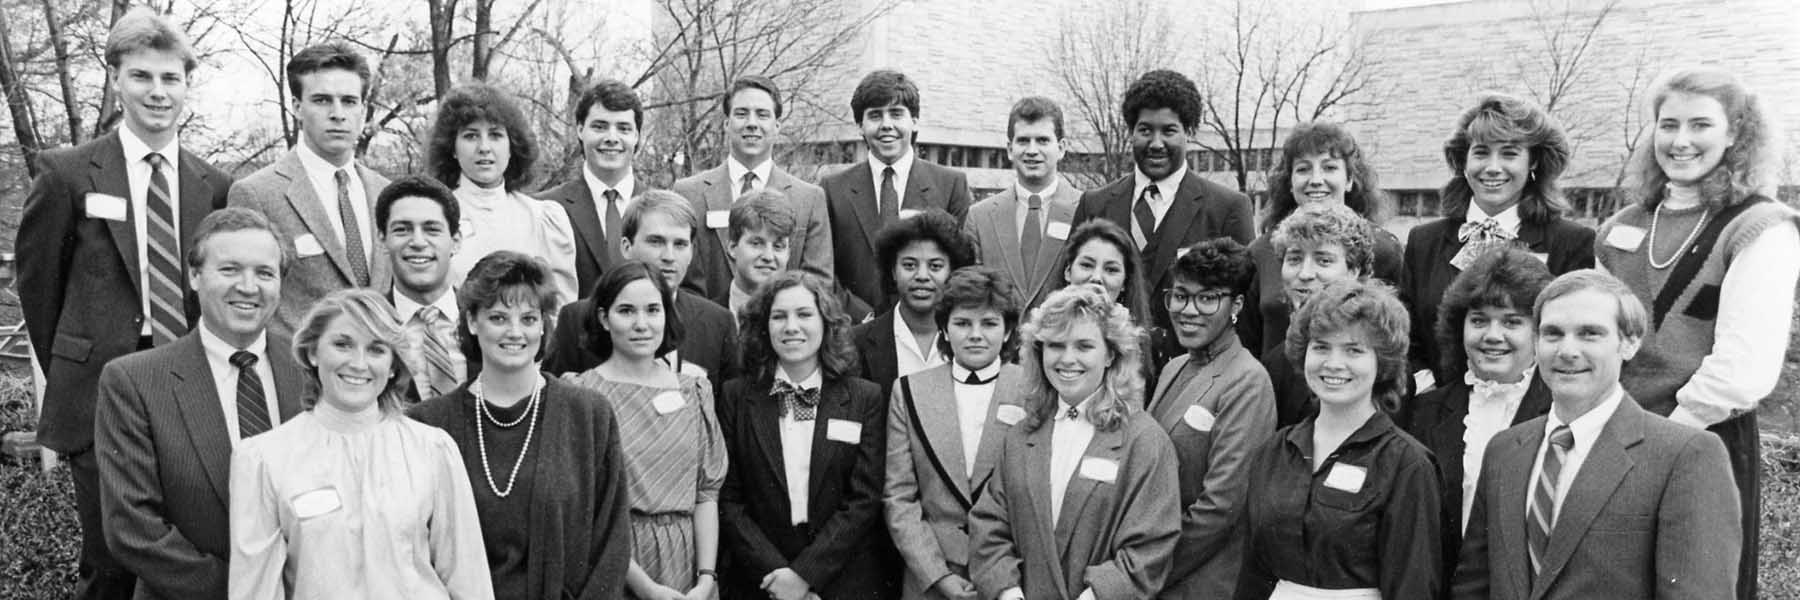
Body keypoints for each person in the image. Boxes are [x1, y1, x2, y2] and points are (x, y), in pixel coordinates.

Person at [16, 9, 231, 597]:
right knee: (110, 561)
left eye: (170, 78)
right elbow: (40, 289)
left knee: (186, 552)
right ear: (115, 80)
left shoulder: (213, 184)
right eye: (141, 77)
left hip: (186, 392)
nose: (157, 92)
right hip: (99, 395)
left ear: (188, 84)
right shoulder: (66, 173)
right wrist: (72, 367)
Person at [1595, 67, 1798, 600]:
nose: (1680, 141)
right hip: (1615, 433)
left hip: (1702, 436)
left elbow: (1743, 370)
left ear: (1735, 133)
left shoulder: (1760, 226)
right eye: (1668, 125)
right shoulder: (1621, 227)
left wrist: (1665, 440)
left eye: (1701, 124)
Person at [1451, 270, 1741, 600]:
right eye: (1553, 334)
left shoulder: (1684, 455)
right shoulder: (1504, 451)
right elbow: (1473, 586)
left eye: (1589, 334)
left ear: (1630, 343)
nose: (1567, 351)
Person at [96, 208, 305, 600]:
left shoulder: (312, 372)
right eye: (229, 269)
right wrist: (248, 592)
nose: (248, 286)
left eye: (264, 273)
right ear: (194, 276)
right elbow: (132, 528)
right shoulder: (135, 381)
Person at [228, 289, 492, 599]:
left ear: (394, 364)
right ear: (313, 352)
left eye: (377, 349)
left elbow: (469, 579)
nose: (358, 363)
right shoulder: (264, 459)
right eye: (342, 344)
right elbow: (254, 589)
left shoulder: (432, 449)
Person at [411, 251, 633, 600]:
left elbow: (612, 542)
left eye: (529, 318)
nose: (515, 332)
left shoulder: (588, 414)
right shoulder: (427, 424)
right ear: (471, 321)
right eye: (498, 317)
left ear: (544, 325)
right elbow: (415, 553)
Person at [967, 283, 1181, 600]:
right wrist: (1008, 593)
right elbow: (989, 524)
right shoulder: (1021, 435)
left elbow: (1151, 545)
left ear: (1110, 354)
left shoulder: (1145, 441)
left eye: (1083, 346)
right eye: (1055, 345)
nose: (1067, 359)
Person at [1235, 280, 1441, 600]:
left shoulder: (1406, 464)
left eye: (1353, 350)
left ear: (1382, 362)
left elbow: (1413, 587)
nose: (1333, 363)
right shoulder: (1272, 452)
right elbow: (1253, 575)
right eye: (1321, 347)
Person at [717, 271, 897, 599]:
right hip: (762, 581)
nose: (791, 327)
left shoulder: (864, 398)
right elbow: (729, 500)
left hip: (844, 581)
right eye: (779, 316)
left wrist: (805, 576)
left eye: (804, 314)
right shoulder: (735, 397)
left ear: (826, 322)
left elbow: (864, 498)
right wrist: (778, 577)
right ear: (763, 326)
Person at [1401, 93, 1594, 394]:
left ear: (1534, 162)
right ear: (1463, 161)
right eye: (1481, 153)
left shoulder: (1571, 244)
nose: (1492, 167)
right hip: (1434, 414)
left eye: (1508, 153)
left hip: (1529, 416)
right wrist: (1428, 393)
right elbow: (1406, 336)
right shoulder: (1422, 242)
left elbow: (1571, 340)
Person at [561, 261, 725, 599]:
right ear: (604, 319)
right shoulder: (581, 395)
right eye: (626, 311)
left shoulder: (694, 391)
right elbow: (585, 508)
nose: (642, 324)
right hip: (615, 562)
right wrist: (647, 589)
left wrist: (706, 579)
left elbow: (706, 492)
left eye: (653, 310)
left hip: (688, 564)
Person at [1070, 69, 1255, 361]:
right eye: (1145, 130)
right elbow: (1070, 295)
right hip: (1105, 369)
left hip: (1191, 373)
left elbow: (1245, 313)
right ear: (1131, 132)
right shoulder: (1094, 204)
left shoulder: (1227, 208)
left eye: (1168, 131)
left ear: (1190, 133)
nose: (1156, 143)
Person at [1403, 247, 1554, 582]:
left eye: (1512, 322)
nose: (1492, 336)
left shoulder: (1562, 417)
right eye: (1479, 320)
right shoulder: (1423, 414)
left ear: (1541, 331)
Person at [228, 42, 393, 339]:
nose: (338, 113)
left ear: (364, 110)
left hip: (378, 371)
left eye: (349, 101)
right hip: (298, 375)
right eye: (322, 100)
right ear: (297, 107)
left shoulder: (386, 193)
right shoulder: (257, 194)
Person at [883, 266, 1030, 600]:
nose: (975, 334)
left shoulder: (1032, 391)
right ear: (945, 331)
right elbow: (899, 497)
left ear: (1008, 331)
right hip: (931, 577)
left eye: (989, 323)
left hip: (1012, 575)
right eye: (963, 323)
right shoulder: (909, 391)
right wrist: (937, 576)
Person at [1146, 238, 1275, 599]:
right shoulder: (1174, 367)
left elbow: (1221, 506)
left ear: (1235, 305)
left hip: (1200, 580)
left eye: (1207, 298)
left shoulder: (1248, 380)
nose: (1188, 310)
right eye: (1181, 295)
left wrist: (1147, 569)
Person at [544, 191, 739, 392]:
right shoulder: (576, 319)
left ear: (691, 251)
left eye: (680, 244)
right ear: (626, 247)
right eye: (656, 241)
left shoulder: (718, 323)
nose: (669, 256)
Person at [1239, 122, 1404, 355]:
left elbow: (1397, 333)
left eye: (1329, 168)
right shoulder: (1260, 252)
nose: (1316, 179)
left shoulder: (1384, 248)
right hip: (1275, 384)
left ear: (1349, 180)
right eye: (1304, 169)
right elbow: (1248, 340)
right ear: (1290, 182)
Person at [823, 69, 974, 310]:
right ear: (860, 126)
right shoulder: (832, 190)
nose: (886, 125)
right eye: (875, 116)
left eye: (896, 114)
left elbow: (964, 266)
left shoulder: (951, 185)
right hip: (853, 332)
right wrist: (862, 318)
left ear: (914, 121)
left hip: (929, 330)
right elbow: (824, 270)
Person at [675, 75, 832, 306]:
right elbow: (683, 278)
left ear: (777, 126)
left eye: (762, 114)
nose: (751, 123)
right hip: (707, 332)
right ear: (726, 123)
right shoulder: (689, 193)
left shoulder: (809, 198)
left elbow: (818, 284)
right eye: (741, 114)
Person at [427, 82, 580, 304]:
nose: (484, 147)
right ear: (452, 147)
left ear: (512, 145)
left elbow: (561, 310)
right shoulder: (434, 216)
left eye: (495, 135)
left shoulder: (543, 218)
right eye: (471, 136)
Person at [1259, 203, 1380, 428]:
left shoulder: (1379, 355)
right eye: (1294, 259)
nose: (1305, 274)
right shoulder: (1274, 363)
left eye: (1323, 260)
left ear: (1354, 271)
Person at [964, 97, 1081, 310]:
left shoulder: (1086, 210)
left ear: (1061, 148)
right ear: (1010, 149)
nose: (1032, 150)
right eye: (1023, 141)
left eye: (1043, 141)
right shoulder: (979, 218)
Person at [851, 210, 978, 396]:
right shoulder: (857, 342)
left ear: (953, 272)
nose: (922, 276)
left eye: (935, 266)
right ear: (893, 271)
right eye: (909, 265)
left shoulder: (974, 339)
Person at [540, 79, 643, 292]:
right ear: (580, 129)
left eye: (623, 128)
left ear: (636, 136)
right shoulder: (545, 209)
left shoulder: (662, 209)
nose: (611, 138)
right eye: (600, 127)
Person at [375, 175, 466, 401]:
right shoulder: (369, 327)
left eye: (431, 229)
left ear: (456, 241)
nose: (417, 242)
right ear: (382, 240)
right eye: (402, 230)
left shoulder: (489, 321)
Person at [723, 190, 799, 314]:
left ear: (788, 253)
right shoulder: (704, 320)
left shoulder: (801, 324)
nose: (768, 256)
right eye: (756, 243)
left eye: (778, 246)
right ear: (732, 247)